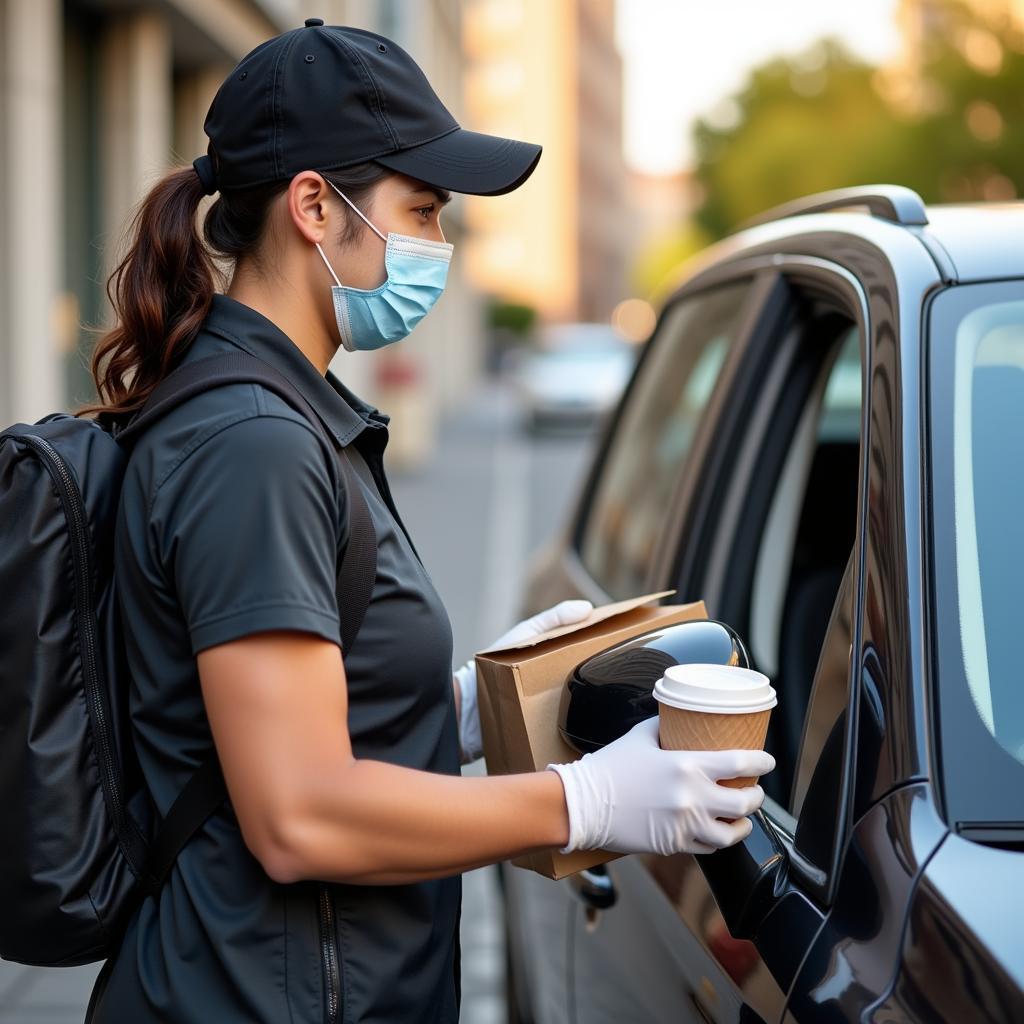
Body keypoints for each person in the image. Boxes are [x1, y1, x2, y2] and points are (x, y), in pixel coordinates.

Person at [76, 20, 775, 1024]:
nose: (436, 246)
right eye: (422, 210)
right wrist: (588, 802)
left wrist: (454, 705)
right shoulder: (254, 442)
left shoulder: (283, 416)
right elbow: (298, 816)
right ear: (314, 205)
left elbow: (280, 717)